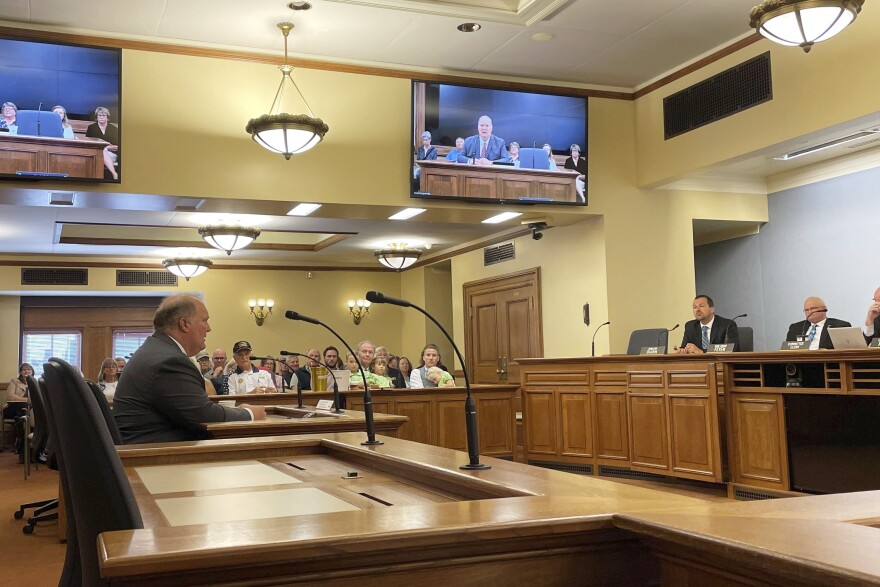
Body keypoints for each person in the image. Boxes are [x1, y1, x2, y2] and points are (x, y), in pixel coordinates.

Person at [113, 295, 265, 444]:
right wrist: (249, 413)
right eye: (205, 321)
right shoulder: (169, 361)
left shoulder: (157, 350)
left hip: (153, 447)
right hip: (156, 454)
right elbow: (204, 415)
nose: (209, 328)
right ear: (184, 324)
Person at [674, 295, 740, 354]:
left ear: (712, 309)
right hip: (698, 365)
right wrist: (682, 350)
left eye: (701, 306)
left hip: (723, 365)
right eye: (694, 307)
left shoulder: (727, 325)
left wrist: (702, 352)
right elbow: (685, 346)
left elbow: (730, 350)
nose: (697, 310)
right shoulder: (690, 326)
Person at [786, 296, 852, 350]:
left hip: (825, 362)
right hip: (800, 362)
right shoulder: (795, 328)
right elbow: (787, 350)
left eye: (812, 309)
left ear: (824, 309)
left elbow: (846, 350)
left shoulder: (840, 326)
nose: (809, 312)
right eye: (806, 310)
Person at [85, 106, 120, 180]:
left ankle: (113, 174)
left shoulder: (114, 129)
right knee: (101, 152)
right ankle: (114, 173)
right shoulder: (91, 128)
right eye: (99, 115)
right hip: (96, 153)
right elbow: (88, 143)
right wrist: (105, 147)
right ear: (96, 117)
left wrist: (106, 148)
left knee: (102, 152)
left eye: (103, 115)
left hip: (112, 154)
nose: (101, 117)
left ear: (107, 117)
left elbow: (119, 146)